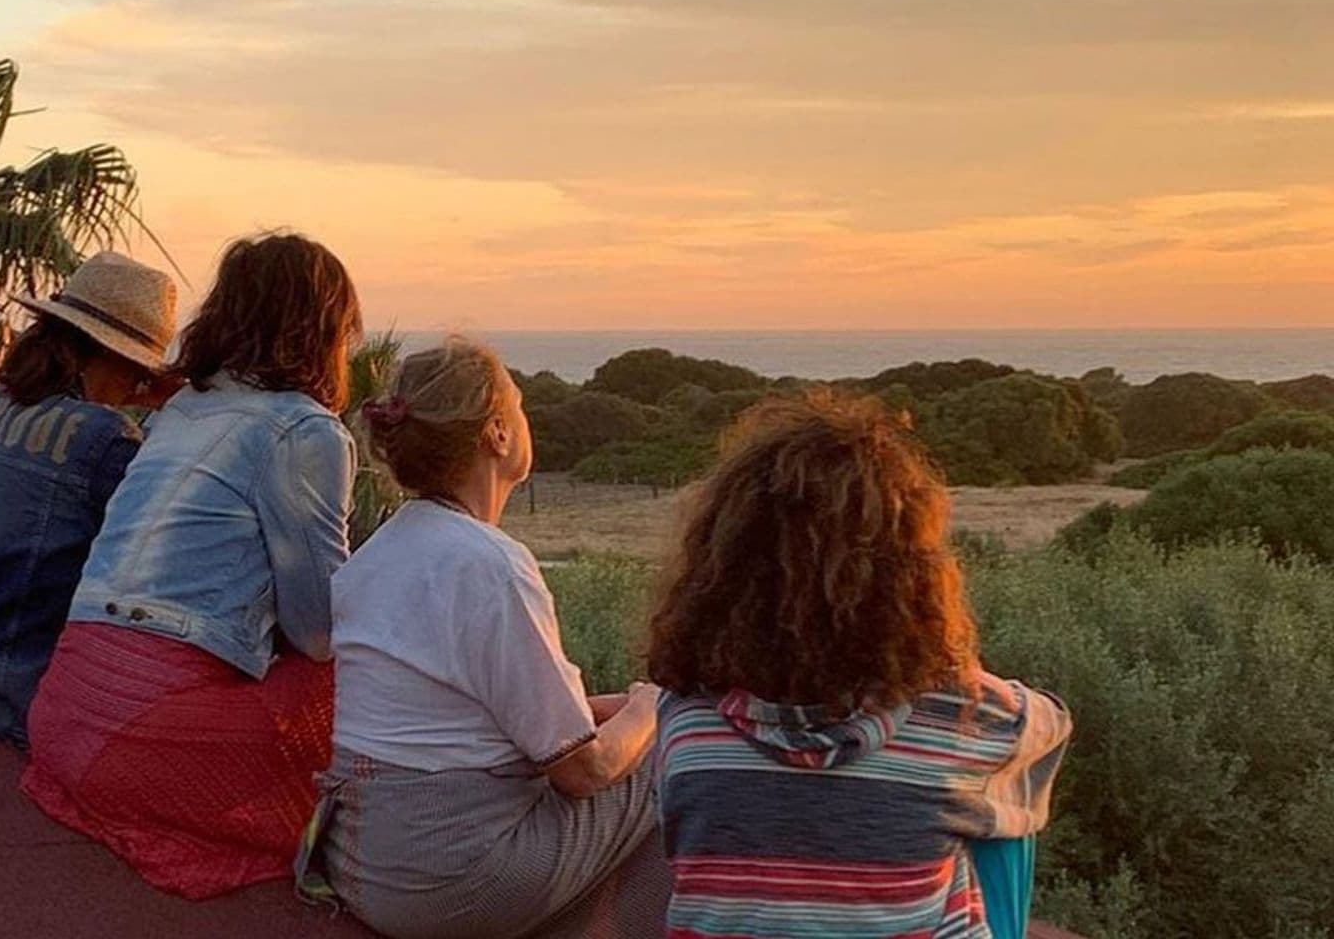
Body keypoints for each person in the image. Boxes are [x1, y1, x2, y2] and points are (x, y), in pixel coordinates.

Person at [647, 392, 1072, 939]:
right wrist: (952, 665)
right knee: (996, 815)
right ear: (911, 574)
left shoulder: (685, 718)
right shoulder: (962, 718)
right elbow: (1052, 724)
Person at [20, 231, 361, 899]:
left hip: (61, 720)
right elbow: (319, 632)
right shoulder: (304, 430)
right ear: (326, 330)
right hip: (140, 747)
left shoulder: (182, 410)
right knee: (363, 667)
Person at [294, 337, 669, 939]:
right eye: (519, 404)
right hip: (451, 882)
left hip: (362, 864)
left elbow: (469, 719)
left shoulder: (374, 558)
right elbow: (585, 771)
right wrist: (652, 707)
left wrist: (621, 706)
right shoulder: (489, 564)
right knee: (674, 752)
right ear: (497, 434)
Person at [0, 250, 179, 746]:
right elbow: (148, 572)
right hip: (21, 719)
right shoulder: (104, 441)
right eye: (137, 373)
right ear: (111, 357)